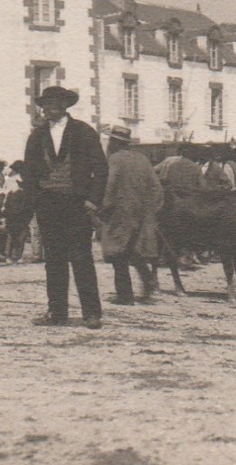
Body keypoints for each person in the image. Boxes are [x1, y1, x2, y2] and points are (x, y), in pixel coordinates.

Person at [23, 84, 109, 328]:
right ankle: (57, 313)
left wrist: (93, 200)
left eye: (51, 104)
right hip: (48, 204)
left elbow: (101, 169)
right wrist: (35, 201)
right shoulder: (37, 136)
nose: (47, 110)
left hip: (77, 204)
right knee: (54, 260)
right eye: (44, 105)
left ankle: (92, 314)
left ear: (63, 105)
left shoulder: (83, 132)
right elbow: (29, 173)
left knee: (82, 258)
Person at [97, 126, 164, 305]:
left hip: (120, 215)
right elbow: (157, 189)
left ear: (114, 143)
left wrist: (102, 209)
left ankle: (125, 296)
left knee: (118, 256)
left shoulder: (114, 160)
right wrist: (151, 211)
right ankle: (148, 282)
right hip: (142, 216)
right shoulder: (142, 159)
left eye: (110, 141)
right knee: (136, 253)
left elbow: (109, 187)